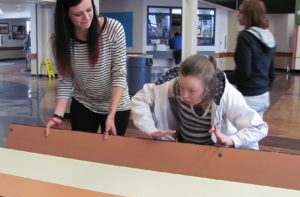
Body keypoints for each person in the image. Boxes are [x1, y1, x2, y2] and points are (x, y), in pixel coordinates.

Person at [131, 55, 268, 150]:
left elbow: (259, 128)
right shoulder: (172, 84)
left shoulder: (226, 95)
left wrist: (232, 140)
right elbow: (139, 99)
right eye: (182, 87)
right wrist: (151, 130)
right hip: (183, 149)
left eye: (192, 91)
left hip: (213, 154)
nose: (184, 95)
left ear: (208, 87)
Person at [45, 0, 131, 138]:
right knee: (81, 151)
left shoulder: (113, 28)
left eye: (89, 10)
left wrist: (111, 115)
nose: (86, 17)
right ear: (66, 15)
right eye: (78, 14)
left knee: (110, 153)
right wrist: (57, 116)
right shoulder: (59, 40)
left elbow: (119, 74)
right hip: (83, 102)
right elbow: (65, 80)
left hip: (116, 105)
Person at [227, 0, 276, 117]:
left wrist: (224, 77)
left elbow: (244, 72)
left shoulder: (245, 37)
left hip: (248, 98)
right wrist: (263, 89)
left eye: (241, 12)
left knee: (237, 133)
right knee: (255, 132)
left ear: (249, 14)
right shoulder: (269, 37)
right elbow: (272, 73)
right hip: (263, 96)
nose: (238, 14)